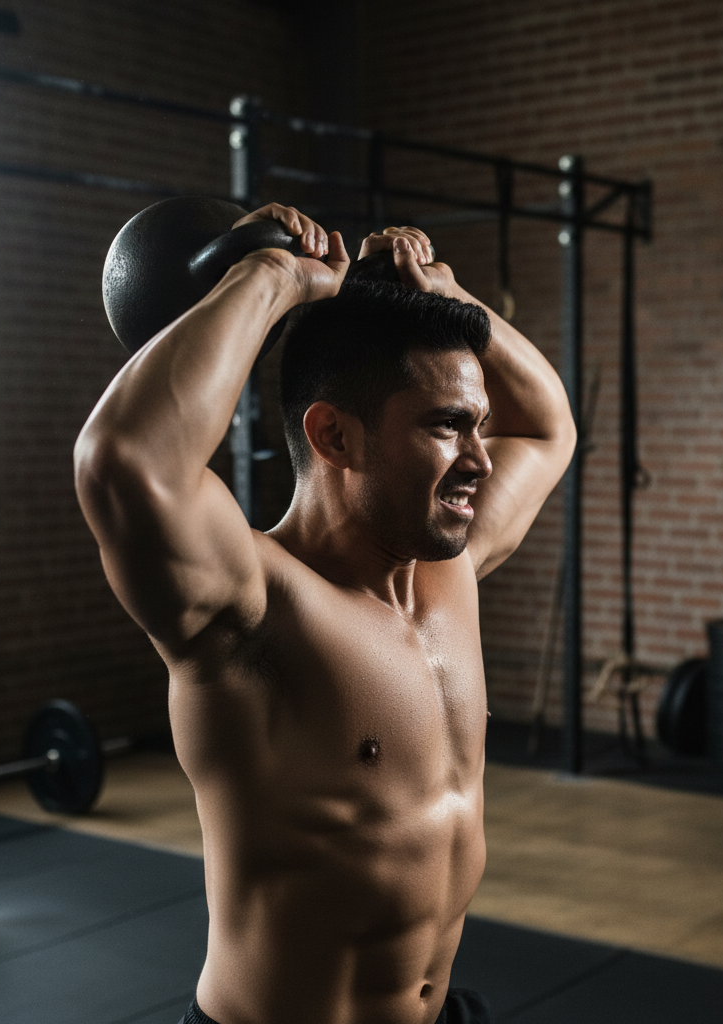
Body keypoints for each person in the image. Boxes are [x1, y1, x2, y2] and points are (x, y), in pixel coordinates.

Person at [75, 203, 576, 1024]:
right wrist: (273, 279)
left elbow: (549, 427)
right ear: (334, 438)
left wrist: (446, 295)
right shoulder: (250, 607)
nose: (481, 460)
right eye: (448, 427)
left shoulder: (453, 573)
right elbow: (126, 462)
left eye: (479, 426)